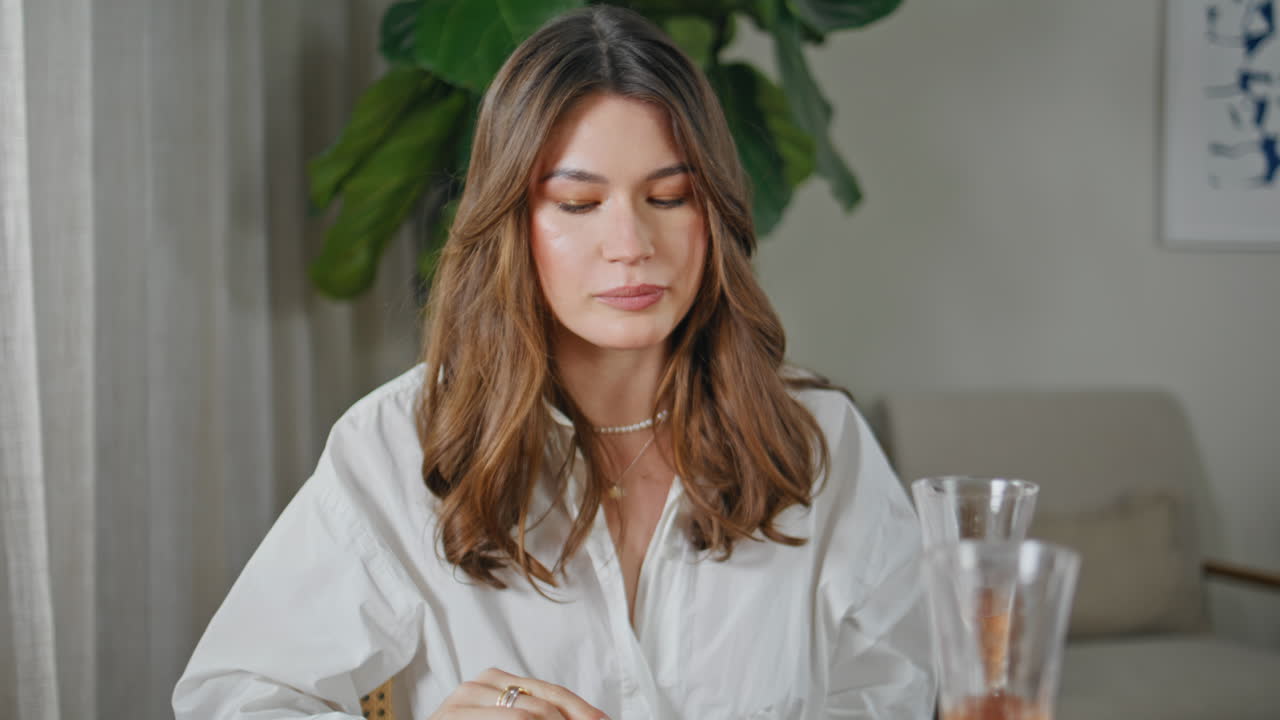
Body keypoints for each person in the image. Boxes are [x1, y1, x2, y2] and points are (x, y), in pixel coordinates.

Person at [172, 6, 933, 719]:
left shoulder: (815, 438)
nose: (631, 244)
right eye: (577, 205)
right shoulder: (399, 444)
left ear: (715, 216)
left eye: (669, 197)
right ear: (513, 223)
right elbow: (233, 696)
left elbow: (905, 685)